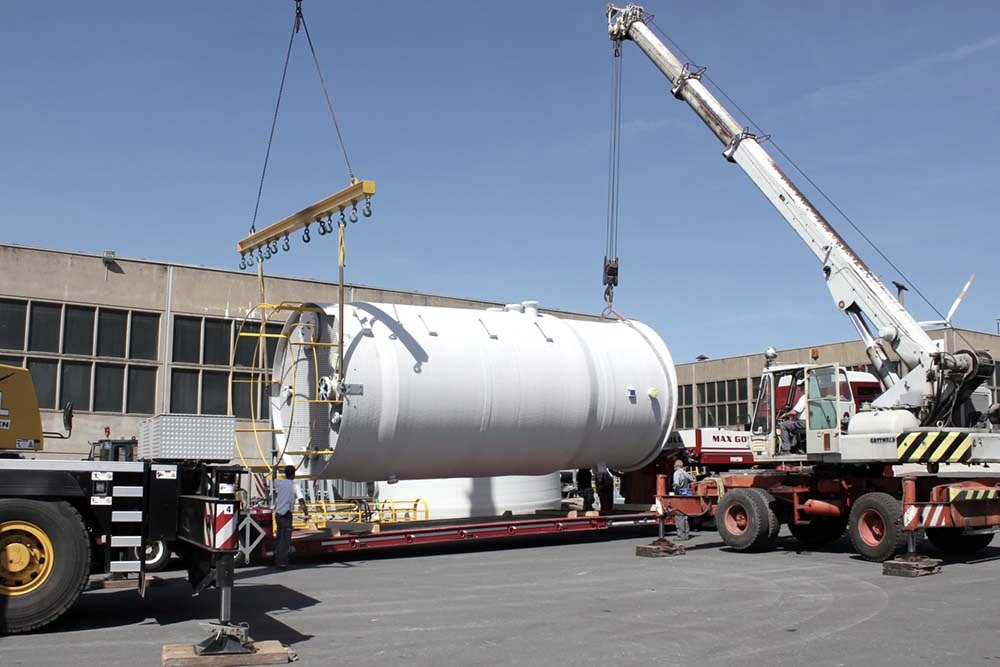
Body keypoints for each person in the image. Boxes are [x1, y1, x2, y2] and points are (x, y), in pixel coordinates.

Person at [273, 464, 308, 569]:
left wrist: (274, 469)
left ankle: (278, 560)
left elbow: (274, 478)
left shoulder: (280, 483)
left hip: (278, 514)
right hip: (286, 515)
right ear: (293, 474)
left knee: (279, 538)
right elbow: (301, 500)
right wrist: (306, 513)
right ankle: (283, 562)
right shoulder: (294, 485)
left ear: (285, 474)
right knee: (286, 540)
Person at [778, 379, 807, 454]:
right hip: (808, 423)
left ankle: (786, 449)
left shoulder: (804, 397)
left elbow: (794, 412)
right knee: (793, 427)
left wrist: (785, 414)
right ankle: (795, 447)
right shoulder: (811, 397)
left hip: (802, 423)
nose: (801, 388)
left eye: (802, 386)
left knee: (783, 425)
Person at [671, 459, 697, 540]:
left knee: (679, 516)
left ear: (676, 466)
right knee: (685, 516)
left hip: (679, 496)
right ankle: (686, 534)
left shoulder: (677, 473)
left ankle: (681, 536)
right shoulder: (685, 473)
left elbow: (676, 484)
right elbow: (694, 481)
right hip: (686, 496)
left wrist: (675, 492)